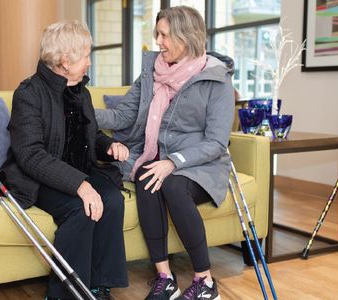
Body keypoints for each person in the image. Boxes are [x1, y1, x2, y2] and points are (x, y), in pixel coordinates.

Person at [95, 6, 234, 300]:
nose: (158, 41)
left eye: (164, 35)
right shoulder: (151, 72)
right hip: (159, 159)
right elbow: (121, 117)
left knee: (170, 183)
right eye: (157, 34)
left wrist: (173, 162)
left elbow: (217, 142)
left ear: (186, 37)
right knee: (147, 176)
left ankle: (205, 282)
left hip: (201, 163)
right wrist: (81, 111)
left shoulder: (217, 79)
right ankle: (165, 278)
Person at [0, 20, 130, 300]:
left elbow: (90, 135)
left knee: (113, 199)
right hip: (40, 177)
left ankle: (98, 285)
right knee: (80, 208)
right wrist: (81, 186)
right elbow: (31, 155)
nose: (89, 63)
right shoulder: (29, 94)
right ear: (65, 60)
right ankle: (64, 294)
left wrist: (109, 146)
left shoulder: (80, 91)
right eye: (85, 55)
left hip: (78, 170)